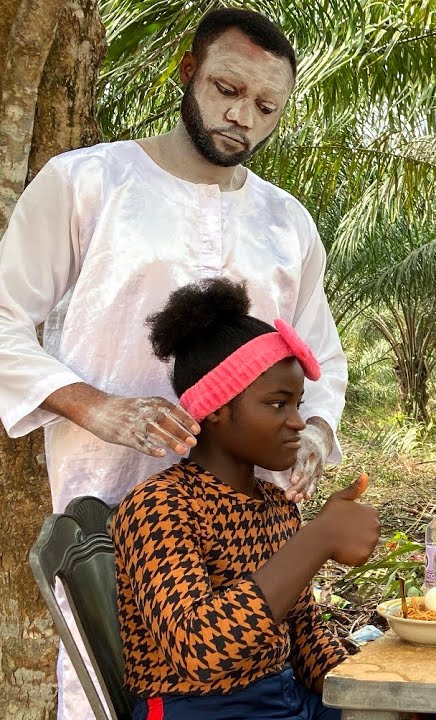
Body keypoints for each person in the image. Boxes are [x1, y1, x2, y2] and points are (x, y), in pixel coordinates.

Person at [0, 8, 346, 715]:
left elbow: (322, 359)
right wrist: (93, 405)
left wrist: (311, 432)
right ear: (188, 73)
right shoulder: (87, 182)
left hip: (246, 511)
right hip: (109, 491)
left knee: (248, 661)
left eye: (265, 106)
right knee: (112, 683)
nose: (241, 116)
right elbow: (4, 317)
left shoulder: (287, 222)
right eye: (226, 88)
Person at [112, 278, 379, 720]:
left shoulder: (276, 505)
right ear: (215, 409)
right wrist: (317, 540)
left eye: (298, 404)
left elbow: (305, 635)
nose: (298, 423)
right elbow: (197, 649)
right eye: (277, 404)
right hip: (196, 709)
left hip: (286, 700)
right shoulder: (158, 506)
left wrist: (376, 690)